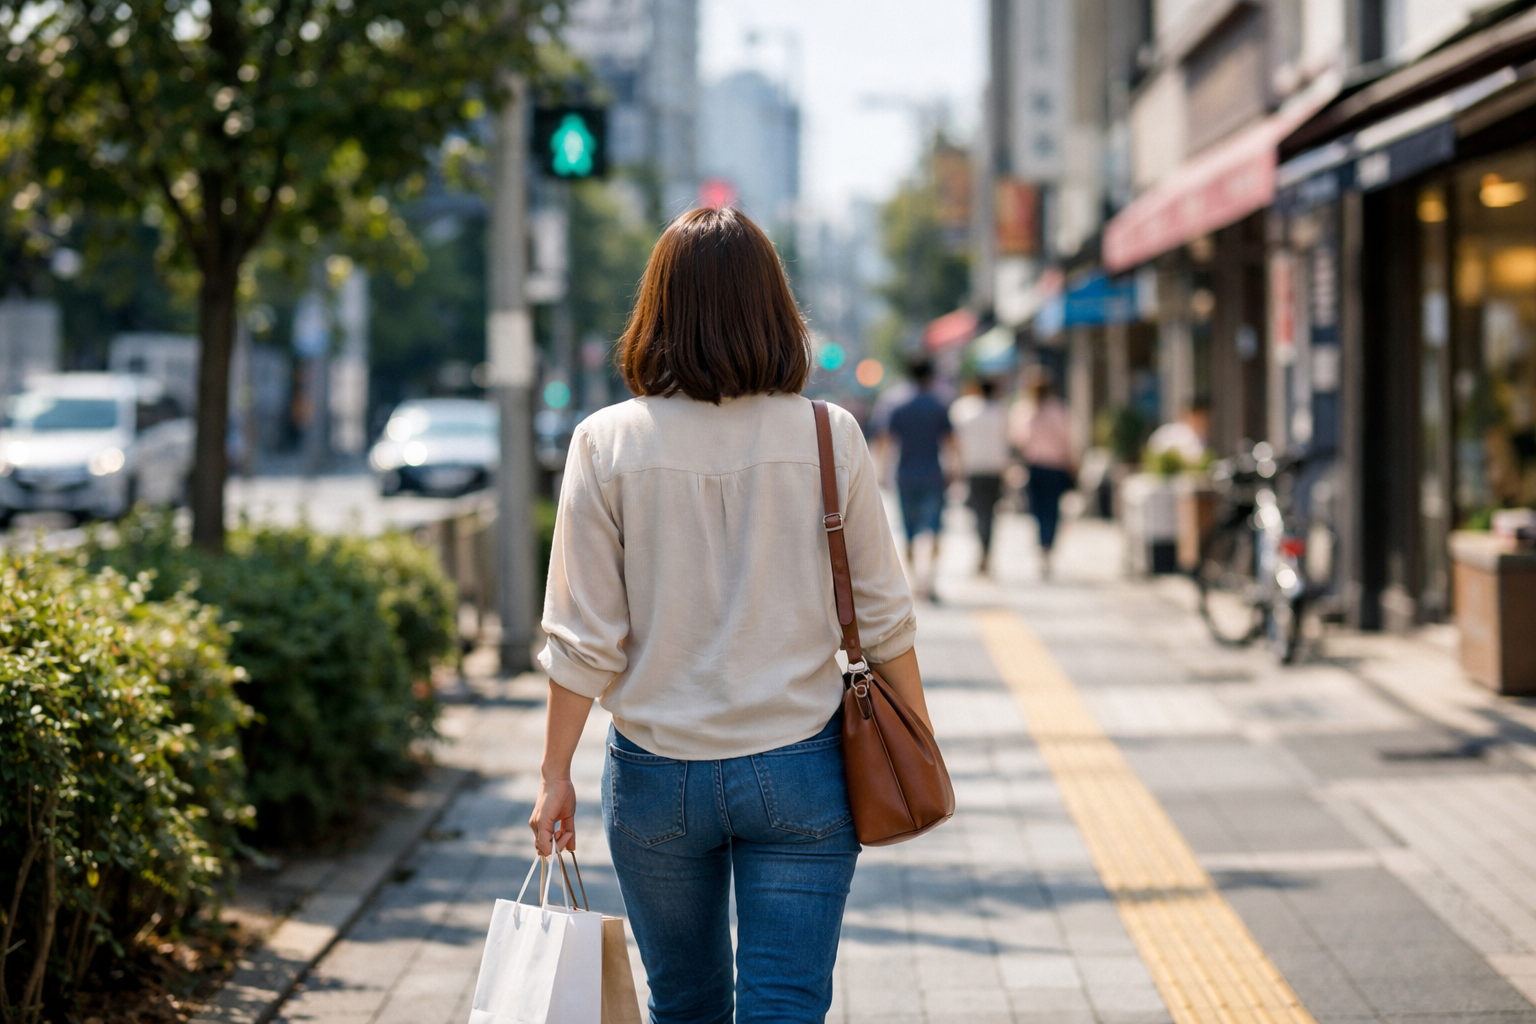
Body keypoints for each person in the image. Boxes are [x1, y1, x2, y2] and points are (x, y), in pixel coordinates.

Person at [531, 207, 929, 1024]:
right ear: (773, 308)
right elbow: (885, 620)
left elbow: (583, 640)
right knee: (784, 1005)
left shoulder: (605, 443)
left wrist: (553, 773)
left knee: (684, 1005)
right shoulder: (830, 436)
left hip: (653, 770)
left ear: (657, 311)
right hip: (801, 765)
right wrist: (914, 739)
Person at [877, 359, 953, 599]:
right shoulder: (939, 407)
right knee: (935, 529)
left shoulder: (899, 407)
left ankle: (912, 580)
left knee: (909, 531)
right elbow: (951, 442)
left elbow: (886, 441)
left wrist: (882, 471)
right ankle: (928, 579)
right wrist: (955, 469)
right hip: (933, 474)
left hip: (905, 475)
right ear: (930, 378)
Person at [1011, 372, 1074, 578]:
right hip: (1056, 466)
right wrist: (1074, 464)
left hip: (1035, 466)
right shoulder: (1059, 409)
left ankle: (1043, 545)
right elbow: (1068, 439)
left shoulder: (1024, 410)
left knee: (1038, 510)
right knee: (1052, 509)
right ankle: (1047, 547)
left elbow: (1019, 440)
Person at [949, 377, 1010, 573]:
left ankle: (981, 549)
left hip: (972, 467)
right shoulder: (1001, 411)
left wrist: (957, 467)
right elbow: (1007, 439)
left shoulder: (964, 410)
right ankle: (986, 550)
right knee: (990, 512)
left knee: (976, 511)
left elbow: (956, 441)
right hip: (995, 467)